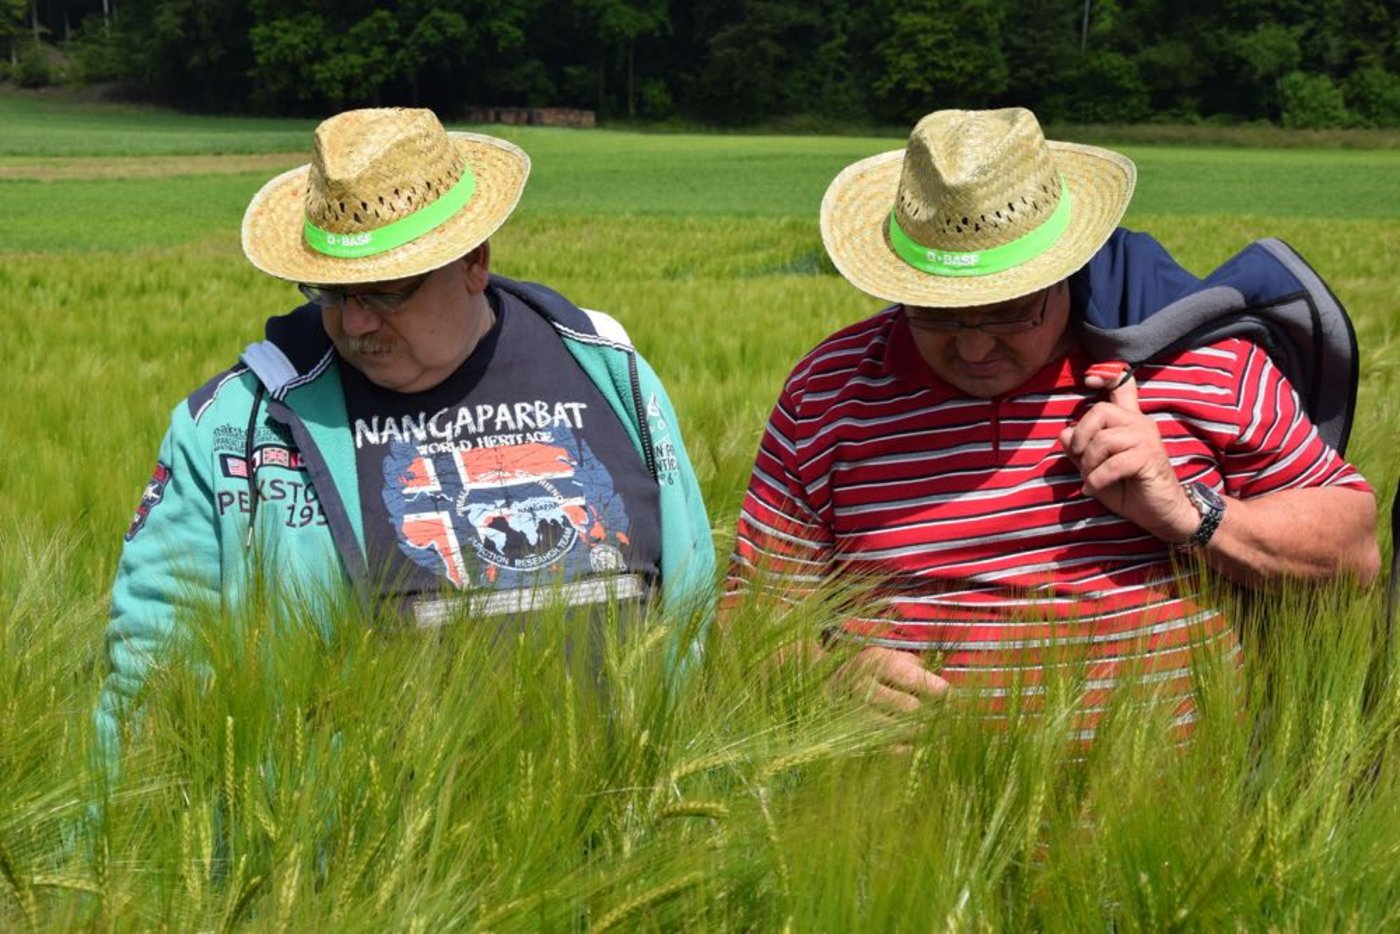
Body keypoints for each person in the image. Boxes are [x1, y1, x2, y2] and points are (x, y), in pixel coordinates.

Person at [729, 107, 1380, 736]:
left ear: (1064, 270)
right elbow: (748, 623)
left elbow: (1355, 555)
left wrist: (1191, 513)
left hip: (1179, 806)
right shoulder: (828, 390)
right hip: (902, 809)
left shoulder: (1201, 362)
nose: (974, 348)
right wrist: (824, 681)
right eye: (937, 313)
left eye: (1010, 311)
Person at [99, 108, 713, 755]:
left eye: (386, 291)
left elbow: (692, 613)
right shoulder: (234, 429)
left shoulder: (610, 371)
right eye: (331, 292)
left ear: (473, 261)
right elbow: (149, 685)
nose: (355, 323)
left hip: (619, 811)